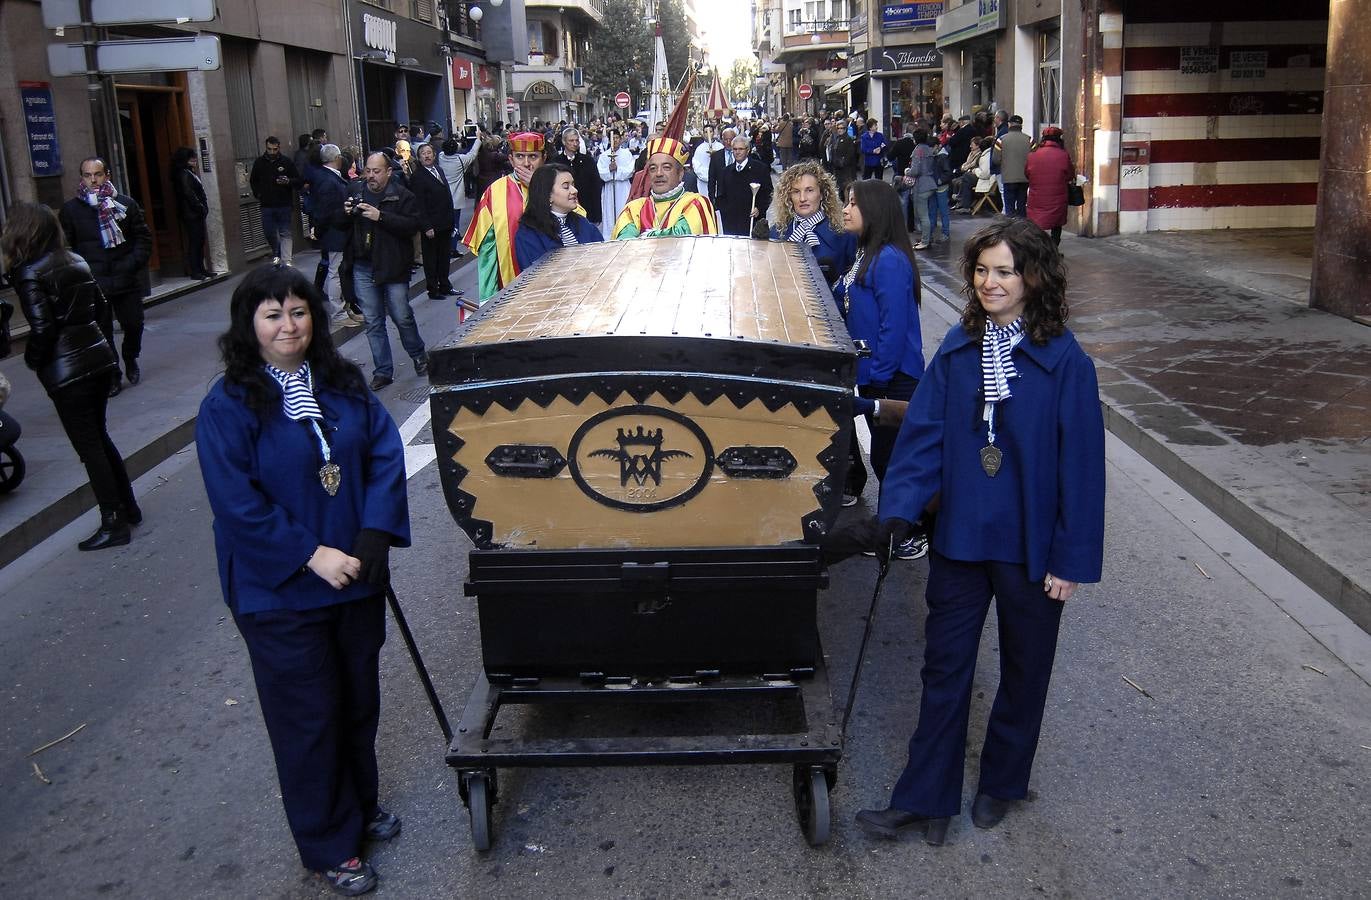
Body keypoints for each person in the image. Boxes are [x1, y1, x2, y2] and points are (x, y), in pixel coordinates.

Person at [855, 218, 1105, 846]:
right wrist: (897, 510)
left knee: (1025, 671)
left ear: (1032, 279)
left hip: (1032, 548)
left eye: (1004, 271)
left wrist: (1070, 558)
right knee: (944, 670)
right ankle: (925, 797)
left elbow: (1081, 467)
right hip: (962, 540)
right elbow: (923, 437)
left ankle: (1001, 781)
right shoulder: (960, 348)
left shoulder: (1065, 361)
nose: (989, 282)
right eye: (982, 270)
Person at [195, 264, 409, 897]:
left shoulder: (341, 383)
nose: (288, 325)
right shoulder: (228, 404)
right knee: (307, 716)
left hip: (355, 576)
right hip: (280, 591)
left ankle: (360, 804)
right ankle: (328, 842)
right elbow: (235, 503)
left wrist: (374, 532)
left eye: (298, 311)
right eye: (272, 314)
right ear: (250, 326)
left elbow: (384, 453)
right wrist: (310, 553)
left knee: (356, 701)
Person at [3, 202, 140, 550]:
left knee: (89, 446)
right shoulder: (75, 260)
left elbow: (42, 327)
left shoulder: (29, 271)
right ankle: (128, 507)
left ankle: (114, 521)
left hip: (69, 370)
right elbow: (100, 308)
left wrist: (35, 360)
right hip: (97, 359)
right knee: (99, 438)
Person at [833, 179, 926, 561]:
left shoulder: (888, 260)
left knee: (894, 460)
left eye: (853, 203)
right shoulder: (863, 254)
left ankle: (907, 531)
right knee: (886, 458)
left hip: (893, 378)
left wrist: (881, 379)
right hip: (873, 375)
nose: (846, 209)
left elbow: (893, 326)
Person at [769, 161, 863, 506]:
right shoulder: (780, 231)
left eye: (809, 190)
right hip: (789, 326)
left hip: (827, 327)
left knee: (835, 402)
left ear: (822, 193)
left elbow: (852, 281)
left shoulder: (840, 234)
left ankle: (851, 477)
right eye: (796, 192)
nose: (803, 197)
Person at [59, 156, 154, 395]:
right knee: (103, 333)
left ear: (107, 175)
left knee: (133, 324)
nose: (93, 180)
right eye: (88, 175)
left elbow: (143, 238)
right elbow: (67, 247)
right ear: (82, 178)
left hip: (126, 277)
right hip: (94, 281)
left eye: (98, 174)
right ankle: (113, 374)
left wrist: (132, 263)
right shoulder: (71, 210)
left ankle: (131, 357)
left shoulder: (125, 205)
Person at [344, 152, 426, 391]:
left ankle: (419, 357)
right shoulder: (355, 192)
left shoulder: (402, 195)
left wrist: (381, 217)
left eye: (376, 171)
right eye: (367, 170)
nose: (370, 176)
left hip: (393, 266)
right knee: (373, 322)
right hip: (362, 265)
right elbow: (339, 226)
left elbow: (411, 226)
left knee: (402, 316)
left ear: (388, 172)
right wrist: (345, 213)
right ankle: (383, 371)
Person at [461, 131, 547, 302]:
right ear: (510, 159)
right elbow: (487, 250)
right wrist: (487, 299)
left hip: (552, 284)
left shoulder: (558, 186)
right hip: (509, 290)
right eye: (520, 156)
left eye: (533, 156)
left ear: (544, 158)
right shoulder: (495, 192)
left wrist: (540, 188)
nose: (526, 163)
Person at [611, 137, 718, 239]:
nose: (658, 173)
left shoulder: (696, 202)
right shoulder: (633, 208)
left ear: (680, 173)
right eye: (653, 168)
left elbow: (681, 236)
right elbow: (624, 242)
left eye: (666, 167)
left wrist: (645, 236)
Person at [514, 163, 605, 270]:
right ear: (547, 195)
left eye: (573, 185)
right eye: (566, 186)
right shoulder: (528, 234)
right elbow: (537, 276)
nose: (574, 190)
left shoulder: (583, 223)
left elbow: (602, 256)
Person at [310, 144, 361, 323]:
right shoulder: (327, 180)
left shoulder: (329, 177)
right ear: (337, 158)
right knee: (335, 272)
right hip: (334, 233)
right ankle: (338, 313)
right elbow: (325, 211)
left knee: (341, 271)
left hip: (339, 231)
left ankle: (346, 308)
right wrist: (320, 230)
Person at [410, 142, 458, 300]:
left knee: (444, 256)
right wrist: (426, 226)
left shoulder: (439, 169)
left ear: (434, 154)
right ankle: (433, 288)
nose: (427, 155)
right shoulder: (417, 176)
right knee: (431, 259)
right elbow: (419, 204)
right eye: (423, 153)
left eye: (429, 152)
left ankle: (445, 285)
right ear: (419, 157)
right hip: (431, 224)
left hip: (445, 221)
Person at [250, 136, 301, 266]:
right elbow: (253, 180)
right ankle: (277, 252)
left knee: (285, 232)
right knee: (269, 231)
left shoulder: (286, 162)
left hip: (284, 203)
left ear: (279, 148)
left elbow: (298, 180)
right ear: (266, 148)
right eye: (269, 149)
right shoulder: (259, 163)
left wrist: (288, 181)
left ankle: (286, 260)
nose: (272, 152)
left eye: (274, 149)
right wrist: (258, 194)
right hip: (266, 204)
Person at [1025, 126, 1076, 246]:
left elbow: (1027, 173)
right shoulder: (1063, 155)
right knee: (1056, 223)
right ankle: (1054, 247)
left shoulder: (1032, 156)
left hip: (1037, 197)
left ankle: (1039, 247)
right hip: (1057, 197)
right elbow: (1070, 174)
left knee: (1037, 222)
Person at [714, 136, 773, 237]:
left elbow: (768, 193)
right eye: (735, 149)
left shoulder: (760, 169)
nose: (737, 152)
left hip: (752, 220)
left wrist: (759, 208)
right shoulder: (726, 172)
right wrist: (725, 211)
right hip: (731, 223)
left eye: (741, 149)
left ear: (748, 150)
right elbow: (720, 195)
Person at [170, 146, 213, 280]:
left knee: (199, 241)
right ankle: (196, 270)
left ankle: (201, 268)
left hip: (195, 213)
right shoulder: (184, 174)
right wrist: (200, 207)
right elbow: (189, 193)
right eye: (191, 158)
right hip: (192, 214)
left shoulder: (189, 173)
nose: (195, 160)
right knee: (195, 242)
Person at [437, 132, 482, 257]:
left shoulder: (441, 157)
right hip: (455, 197)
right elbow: (472, 153)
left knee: (444, 224)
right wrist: (477, 139)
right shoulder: (461, 160)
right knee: (454, 225)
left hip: (443, 197)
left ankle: (444, 248)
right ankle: (452, 248)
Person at [555, 128, 603, 230]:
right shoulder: (555, 162)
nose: (575, 143)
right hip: (564, 211)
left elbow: (596, 187)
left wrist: (597, 214)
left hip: (587, 209)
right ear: (564, 142)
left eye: (577, 140)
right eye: (571, 141)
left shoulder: (588, 160)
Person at [596, 129, 635, 236]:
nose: (615, 140)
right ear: (609, 140)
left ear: (621, 139)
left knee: (623, 210)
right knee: (610, 213)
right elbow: (600, 173)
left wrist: (617, 170)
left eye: (617, 138)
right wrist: (609, 170)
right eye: (613, 138)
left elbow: (630, 171)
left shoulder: (626, 154)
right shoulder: (604, 155)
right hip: (610, 188)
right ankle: (610, 235)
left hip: (623, 188)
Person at [996, 115, 1032, 218]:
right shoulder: (1029, 140)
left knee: (1009, 207)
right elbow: (1034, 157)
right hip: (1025, 178)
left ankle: (1011, 228)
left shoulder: (1001, 140)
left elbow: (995, 159)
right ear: (1021, 125)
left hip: (1008, 177)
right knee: (1021, 205)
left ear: (1009, 124)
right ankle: (1022, 227)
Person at [691, 125, 723, 202]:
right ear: (703, 133)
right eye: (705, 132)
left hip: (718, 183)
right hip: (703, 184)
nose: (708, 134)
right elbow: (696, 166)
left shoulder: (720, 146)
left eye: (710, 131)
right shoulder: (699, 148)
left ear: (714, 132)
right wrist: (709, 177)